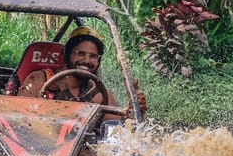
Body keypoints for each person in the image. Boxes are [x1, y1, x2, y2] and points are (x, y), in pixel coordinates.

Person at [18, 26, 146, 115]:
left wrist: (135, 110)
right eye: (80, 54)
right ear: (67, 55)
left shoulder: (97, 94)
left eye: (93, 56)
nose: (86, 60)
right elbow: (19, 117)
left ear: (98, 61)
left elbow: (119, 129)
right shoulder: (40, 80)